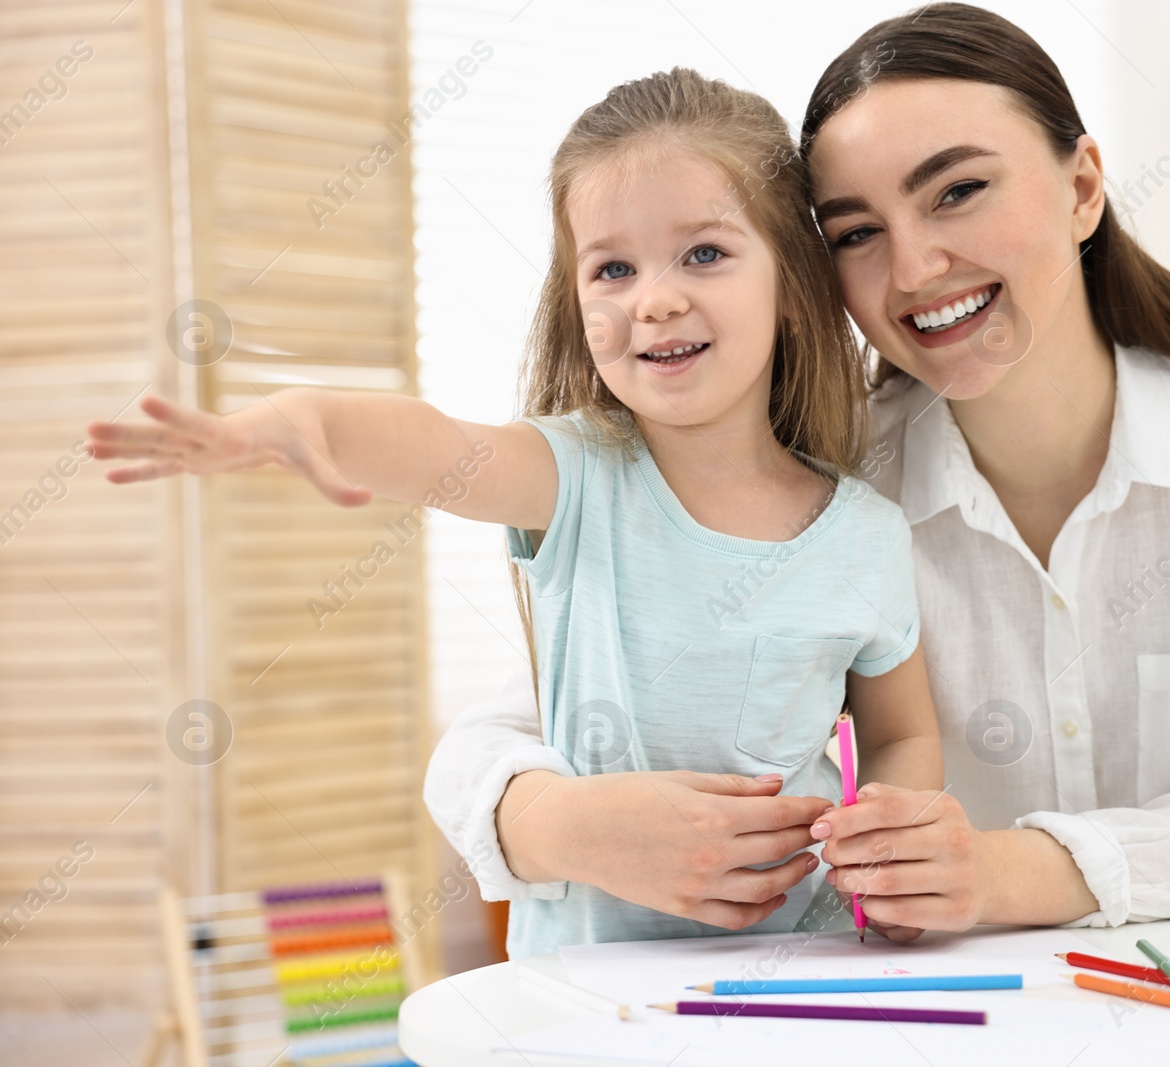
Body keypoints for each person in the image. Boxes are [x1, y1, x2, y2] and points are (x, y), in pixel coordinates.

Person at [428, 2, 1170, 947]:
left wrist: (998, 870)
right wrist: (552, 824)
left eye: (957, 191)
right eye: (855, 233)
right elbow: (522, 719)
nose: (916, 266)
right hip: (968, 1014)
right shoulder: (826, 484)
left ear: (1083, 186)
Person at [85, 67, 941, 958]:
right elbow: (431, 443)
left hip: (800, 976)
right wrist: (305, 418)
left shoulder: (865, 536)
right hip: (579, 994)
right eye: (613, 267)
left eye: (704, 253)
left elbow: (901, 730)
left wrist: (892, 858)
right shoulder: (568, 473)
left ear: (792, 281)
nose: (653, 298)